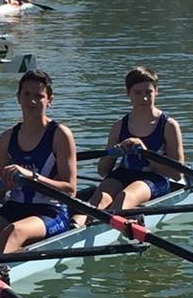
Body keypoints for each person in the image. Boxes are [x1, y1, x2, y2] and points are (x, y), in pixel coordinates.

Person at [0, 70, 77, 256]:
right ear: (18, 97)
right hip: (14, 207)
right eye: (27, 95)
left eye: (39, 96)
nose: (32, 101)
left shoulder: (60, 135)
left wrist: (31, 176)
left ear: (50, 100)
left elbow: (70, 190)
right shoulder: (8, 137)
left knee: (13, 231)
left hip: (50, 211)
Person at [70, 66, 185, 227]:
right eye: (137, 93)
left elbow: (177, 174)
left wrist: (145, 152)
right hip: (123, 173)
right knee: (99, 199)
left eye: (148, 92)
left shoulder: (169, 125)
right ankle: (74, 226)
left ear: (156, 92)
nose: (144, 98)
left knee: (125, 196)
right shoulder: (119, 126)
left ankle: (107, 227)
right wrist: (114, 153)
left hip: (155, 178)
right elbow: (103, 171)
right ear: (128, 93)